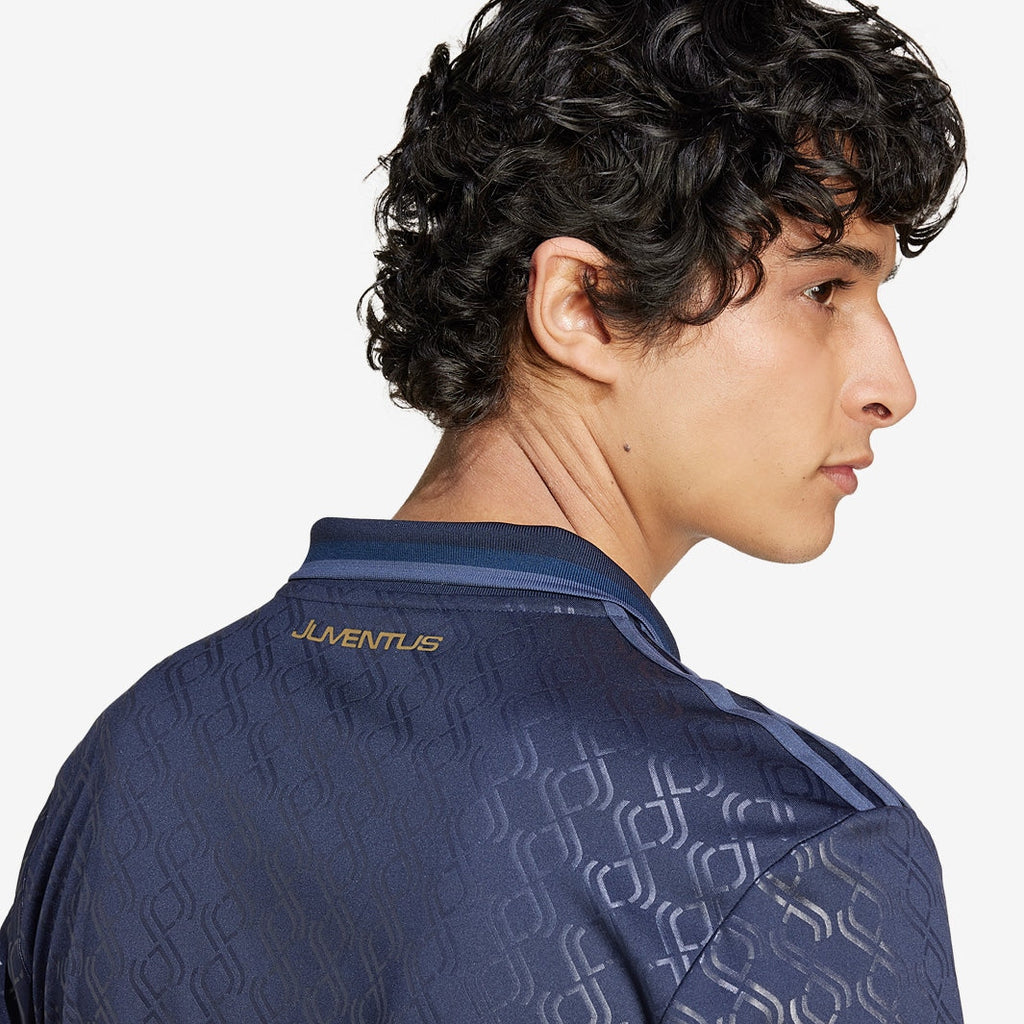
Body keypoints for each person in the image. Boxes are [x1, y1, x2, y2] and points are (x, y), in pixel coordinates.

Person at [0, 0, 966, 1021]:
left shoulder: (139, 751)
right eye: (825, 290)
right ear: (581, 304)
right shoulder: (779, 850)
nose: (892, 386)